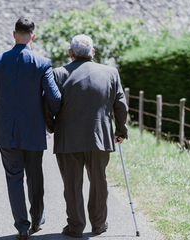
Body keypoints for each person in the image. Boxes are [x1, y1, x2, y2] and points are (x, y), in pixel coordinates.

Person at [0, 18, 61, 240]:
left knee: (13, 178)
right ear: (33, 36)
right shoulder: (42, 63)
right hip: (34, 131)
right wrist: (52, 118)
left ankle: (21, 226)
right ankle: (37, 218)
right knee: (35, 176)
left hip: (6, 131)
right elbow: (55, 98)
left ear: (13, 34)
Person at [46, 34, 128, 238]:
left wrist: (51, 126)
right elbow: (121, 105)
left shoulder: (58, 74)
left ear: (70, 53)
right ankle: (99, 224)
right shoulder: (111, 73)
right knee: (99, 181)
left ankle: (76, 227)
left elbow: (47, 103)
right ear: (93, 52)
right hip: (100, 136)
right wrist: (121, 130)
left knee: (72, 184)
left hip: (67, 137)